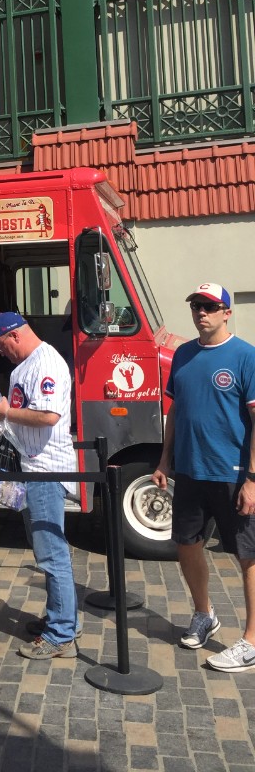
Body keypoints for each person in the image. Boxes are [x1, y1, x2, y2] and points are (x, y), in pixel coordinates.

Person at [152, 283, 255, 672]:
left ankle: (250, 641)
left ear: (227, 312)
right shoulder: (183, 354)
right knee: (186, 544)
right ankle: (204, 614)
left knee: (249, 555)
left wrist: (253, 479)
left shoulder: (246, 356)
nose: (202, 313)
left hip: (232, 474)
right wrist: (164, 461)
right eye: (197, 306)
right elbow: (176, 412)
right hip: (191, 471)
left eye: (211, 307)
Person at [0, 312, 79, 660]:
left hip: (45, 469)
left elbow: (49, 415)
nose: (0, 352)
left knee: (51, 553)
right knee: (46, 549)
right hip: (31, 465)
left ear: (14, 336)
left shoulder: (46, 362)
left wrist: (5, 412)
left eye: (0, 345)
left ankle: (62, 633)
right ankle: (61, 618)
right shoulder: (27, 365)